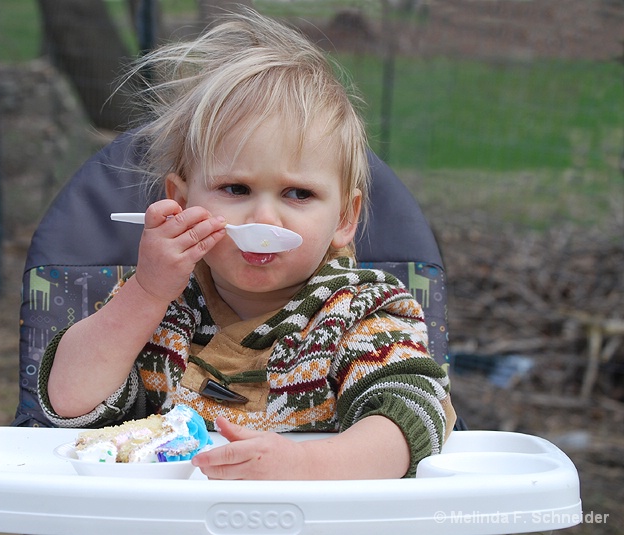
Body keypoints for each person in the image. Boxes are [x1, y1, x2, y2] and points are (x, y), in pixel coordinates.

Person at [38, 8, 456, 480]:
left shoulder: (357, 314)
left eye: (298, 194)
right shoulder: (162, 307)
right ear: (180, 201)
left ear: (344, 218)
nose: (263, 218)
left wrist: (302, 465)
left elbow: (412, 422)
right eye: (236, 190)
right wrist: (147, 294)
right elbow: (69, 403)